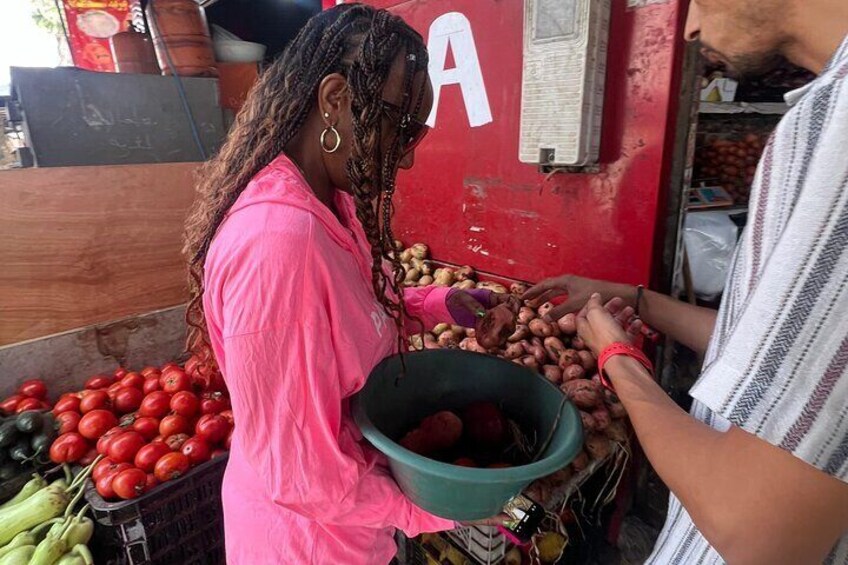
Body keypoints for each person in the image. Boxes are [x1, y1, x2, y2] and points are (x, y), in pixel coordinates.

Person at [525, 1, 848, 563]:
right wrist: (638, 301)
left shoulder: (837, 130)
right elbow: (777, 350)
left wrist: (617, 358)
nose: (690, 27)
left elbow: (756, 529)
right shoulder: (824, 110)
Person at [183, 5, 506, 564]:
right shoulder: (278, 244)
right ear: (334, 100)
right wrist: (442, 509)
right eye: (402, 128)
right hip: (305, 544)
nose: (407, 157)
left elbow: (350, 315)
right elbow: (303, 477)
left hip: (350, 527)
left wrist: (440, 303)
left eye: (418, 133)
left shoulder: (329, 203)